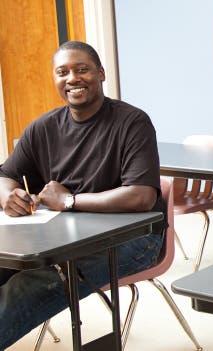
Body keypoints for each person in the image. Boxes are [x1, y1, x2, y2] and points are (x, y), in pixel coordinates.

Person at [0, 41, 165, 348]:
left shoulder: (132, 122)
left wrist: (69, 201)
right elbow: (4, 175)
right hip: (62, 236)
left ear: (101, 74)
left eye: (82, 69)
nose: (72, 78)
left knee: (29, 285)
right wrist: (8, 195)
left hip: (134, 239)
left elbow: (141, 196)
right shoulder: (43, 127)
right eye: (62, 72)